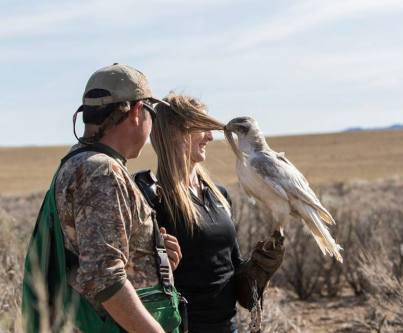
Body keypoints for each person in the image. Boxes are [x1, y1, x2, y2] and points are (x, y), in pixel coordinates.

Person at [22, 64, 183, 333]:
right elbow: (103, 277)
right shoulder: (101, 170)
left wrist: (154, 258)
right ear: (135, 111)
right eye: (151, 112)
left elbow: (95, 254)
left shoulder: (83, 163)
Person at [142, 93, 285, 333]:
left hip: (228, 326)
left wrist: (259, 270)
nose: (210, 137)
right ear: (175, 132)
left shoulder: (219, 195)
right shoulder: (154, 199)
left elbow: (234, 270)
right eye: (202, 128)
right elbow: (140, 280)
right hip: (183, 327)